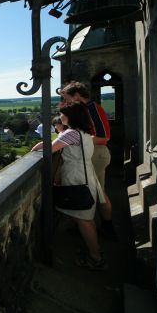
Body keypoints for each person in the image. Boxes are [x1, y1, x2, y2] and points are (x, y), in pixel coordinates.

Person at [32, 103, 108, 270]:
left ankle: (96, 259)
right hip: (85, 175)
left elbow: (49, 148)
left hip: (77, 177)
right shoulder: (83, 132)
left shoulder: (72, 133)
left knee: (84, 220)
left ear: (70, 116)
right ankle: (95, 251)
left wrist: (37, 146)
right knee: (86, 218)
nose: (60, 116)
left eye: (62, 114)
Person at [61, 81, 116, 240]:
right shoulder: (86, 109)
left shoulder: (92, 108)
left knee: (95, 192)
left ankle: (96, 227)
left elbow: (104, 137)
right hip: (93, 153)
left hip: (97, 153)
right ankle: (104, 227)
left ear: (77, 95)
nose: (67, 102)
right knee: (98, 192)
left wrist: (78, 138)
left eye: (68, 98)